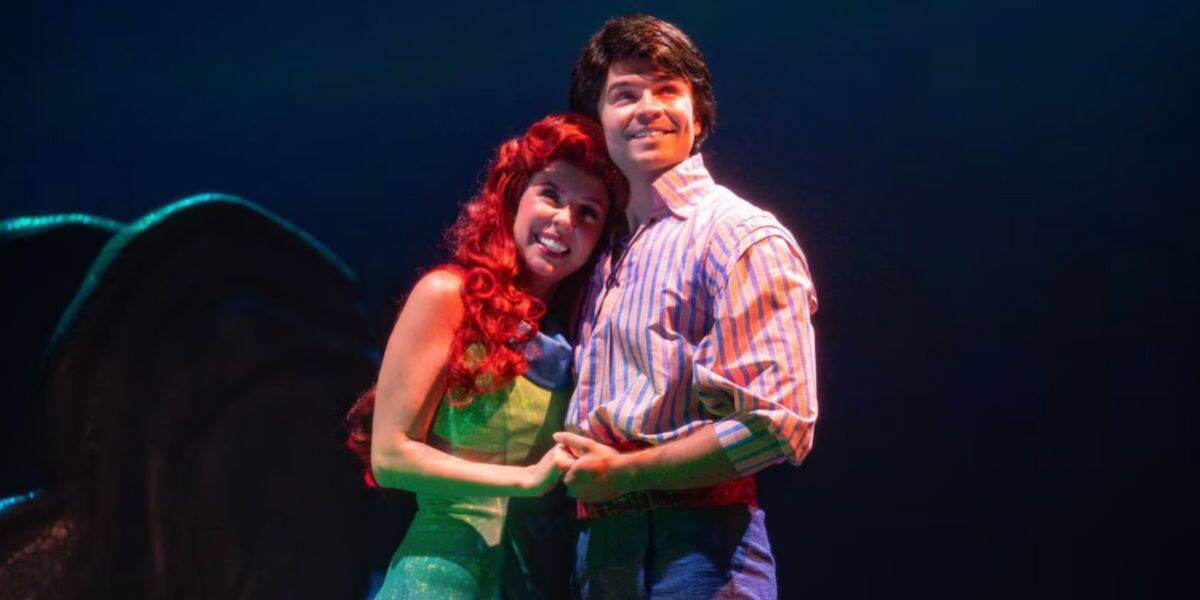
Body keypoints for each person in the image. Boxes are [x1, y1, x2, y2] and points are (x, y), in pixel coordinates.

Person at [552, 15, 820, 598]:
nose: (647, 107)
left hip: (699, 546)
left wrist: (625, 473)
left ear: (698, 118)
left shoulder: (739, 234)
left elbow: (778, 424)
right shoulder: (607, 252)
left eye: (668, 89)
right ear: (597, 124)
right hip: (599, 548)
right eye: (624, 94)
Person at [345, 113, 626, 599]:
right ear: (516, 195)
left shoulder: (577, 342)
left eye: (589, 212)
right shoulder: (447, 296)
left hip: (539, 581)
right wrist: (526, 479)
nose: (565, 221)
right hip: (442, 578)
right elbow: (389, 456)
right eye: (551, 196)